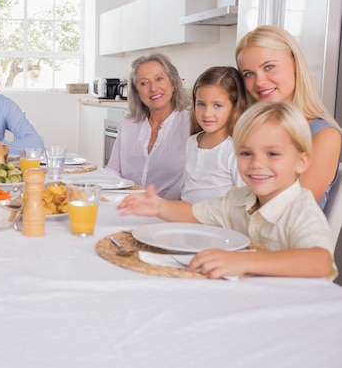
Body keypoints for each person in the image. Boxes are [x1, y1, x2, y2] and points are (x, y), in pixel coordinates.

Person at [118, 102, 335, 280]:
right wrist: (159, 206)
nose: (256, 164)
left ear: (302, 162)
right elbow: (194, 214)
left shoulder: (300, 210)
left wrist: (243, 261)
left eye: (273, 154)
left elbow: (320, 261)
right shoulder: (240, 200)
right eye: (246, 153)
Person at [235, 25, 342, 209]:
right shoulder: (253, 130)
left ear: (295, 63)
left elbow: (289, 209)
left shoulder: (324, 136)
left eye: (269, 67)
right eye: (249, 74)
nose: (259, 81)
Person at [106, 52, 190, 200]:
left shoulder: (191, 125)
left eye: (159, 79)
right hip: (126, 205)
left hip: (168, 213)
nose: (153, 88)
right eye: (144, 83)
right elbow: (113, 171)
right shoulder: (128, 124)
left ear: (173, 83)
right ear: (137, 91)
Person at [180, 66, 247, 203]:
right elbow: (186, 190)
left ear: (235, 106)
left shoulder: (236, 149)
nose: (207, 113)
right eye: (201, 104)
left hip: (216, 222)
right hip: (185, 219)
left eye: (217, 105)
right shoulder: (192, 142)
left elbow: (244, 200)